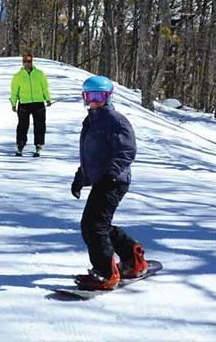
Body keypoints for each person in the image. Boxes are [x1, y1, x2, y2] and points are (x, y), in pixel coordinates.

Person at [70, 75, 147, 291]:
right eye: (89, 96)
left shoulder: (116, 120)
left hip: (114, 181)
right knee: (98, 226)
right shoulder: (92, 120)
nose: (93, 101)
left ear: (108, 97)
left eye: (98, 96)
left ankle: (105, 273)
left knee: (93, 226)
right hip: (103, 180)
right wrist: (80, 178)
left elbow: (126, 151)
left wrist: (110, 174)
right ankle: (133, 258)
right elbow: (92, 156)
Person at [9, 53, 52, 157]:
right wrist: (13, 103)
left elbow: (44, 87)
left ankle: (39, 145)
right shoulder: (18, 76)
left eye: (29, 61)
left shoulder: (39, 74)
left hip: (38, 103)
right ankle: (20, 145)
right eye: (25, 61)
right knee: (22, 126)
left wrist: (48, 99)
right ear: (22, 63)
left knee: (40, 125)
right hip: (24, 103)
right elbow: (14, 91)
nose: (27, 64)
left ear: (32, 62)